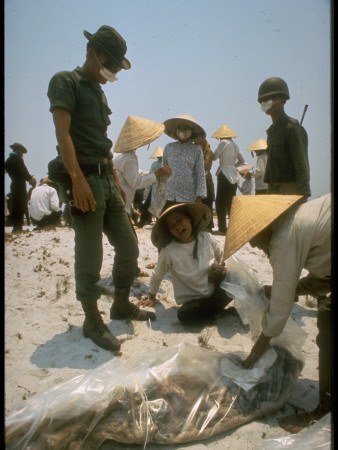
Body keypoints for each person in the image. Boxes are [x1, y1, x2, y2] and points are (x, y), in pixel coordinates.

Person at [47, 25, 156, 354]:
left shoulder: (98, 91)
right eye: (111, 64)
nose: (112, 74)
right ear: (95, 53)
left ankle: (120, 305)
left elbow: (102, 144)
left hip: (106, 179)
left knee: (129, 246)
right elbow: (63, 135)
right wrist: (77, 180)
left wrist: (115, 182)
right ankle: (92, 320)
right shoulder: (65, 81)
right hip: (84, 180)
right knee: (90, 255)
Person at [222, 193, 331, 432]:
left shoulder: (283, 238)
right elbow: (323, 279)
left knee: (329, 333)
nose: (252, 244)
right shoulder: (295, 219)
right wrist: (284, 289)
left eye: (252, 237)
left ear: (265, 225)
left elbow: (280, 309)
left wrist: (256, 353)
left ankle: (325, 410)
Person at [137, 203, 236, 325]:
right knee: (184, 315)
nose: (177, 227)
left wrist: (222, 268)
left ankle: (215, 311)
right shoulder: (169, 251)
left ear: (190, 219)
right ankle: (219, 313)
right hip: (194, 301)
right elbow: (158, 275)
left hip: (215, 291)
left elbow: (221, 255)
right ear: (169, 230)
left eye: (179, 220)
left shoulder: (205, 237)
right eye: (172, 226)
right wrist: (151, 297)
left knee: (236, 277)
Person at [257, 77, 311, 197]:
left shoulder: (293, 128)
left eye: (272, 98)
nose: (266, 102)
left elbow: (302, 167)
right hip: (272, 190)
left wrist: (303, 195)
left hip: (289, 191)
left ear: (282, 100)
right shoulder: (272, 131)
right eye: (263, 100)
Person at [113, 115, 171, 217]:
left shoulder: (119, 154)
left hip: (116, 200)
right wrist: (156, 175)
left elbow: (132, 173)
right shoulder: (129, 158)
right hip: (120, 204)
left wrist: (150, 174)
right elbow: (135, 183)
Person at [162, 114, 207, 212]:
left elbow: (200, 174)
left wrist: (199, 197)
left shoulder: (196, 150)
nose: (182, 130)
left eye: (186, 128)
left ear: (191, 130)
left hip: (188, 196)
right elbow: (164, 172)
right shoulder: (169, 147)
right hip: (170, 195)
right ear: (176, 130)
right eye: (179, 127)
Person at [211, 124, 245, 236]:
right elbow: (241, 160)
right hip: (233, 173)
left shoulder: (223, 142)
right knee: (231, 201)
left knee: (220, 202)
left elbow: (214, 157)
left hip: (224, 172)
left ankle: (222, 228)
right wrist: (234, 166)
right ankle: (232, 228)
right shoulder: (235, 145)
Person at [4, 143, 37, 233]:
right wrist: (31, 179)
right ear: (18, 150)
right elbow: (24, 172)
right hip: (20, 185)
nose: (22, 154)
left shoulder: (8, 160)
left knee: (15, 206)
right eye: (22, 151)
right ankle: (18, 227)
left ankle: (16, 227)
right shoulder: (18, 159)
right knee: (21, 205)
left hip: (13, 184)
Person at [137, 146, 164, 227]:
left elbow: (151, 174)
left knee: (154, 202)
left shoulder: (155, 164)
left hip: (155, 184)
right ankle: (159, 220)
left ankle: (154, 220)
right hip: (163, 185)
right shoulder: (166, 164)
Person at [201, 139, 215, 231]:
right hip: (200, 178)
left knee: (207, 202)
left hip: (205, 179)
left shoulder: (208, 152)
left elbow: (206, 165)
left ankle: (209, 224)